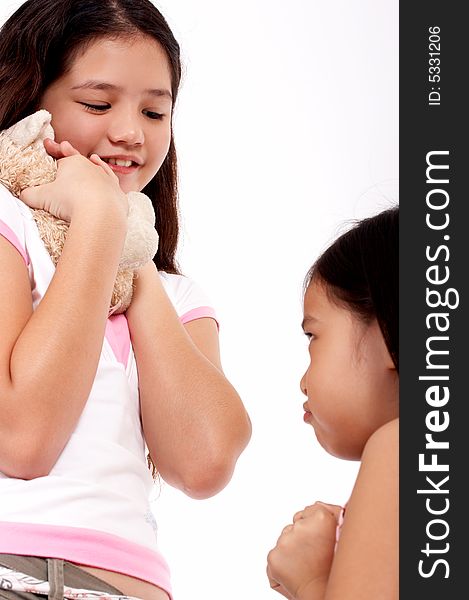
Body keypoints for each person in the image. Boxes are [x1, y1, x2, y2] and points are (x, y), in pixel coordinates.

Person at [0, 1, 252, 598]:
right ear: (29, 100)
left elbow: (204, 461)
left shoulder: (172, 293)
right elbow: (24, 439)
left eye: (154, 110)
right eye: (97, 104)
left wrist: (124, 244)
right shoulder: (8, 226)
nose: (130, 132)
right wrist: (95, 221)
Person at [266, 206, 398, 600]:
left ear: (392, 332)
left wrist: (310, 582)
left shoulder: (401, 450)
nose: (303, 381)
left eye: (313, 337)